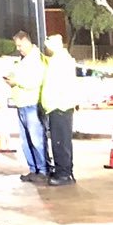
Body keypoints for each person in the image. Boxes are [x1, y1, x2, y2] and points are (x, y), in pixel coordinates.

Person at [8, 28, 48, 181]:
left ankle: (42, 170)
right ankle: (33, 169)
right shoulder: (23, 60)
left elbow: (35, 81)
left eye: (19, 45)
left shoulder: (36, 60)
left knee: (36, 140)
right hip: (21, 104)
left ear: (26, 42)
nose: (18, 49)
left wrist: (16, 81)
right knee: (26, 141)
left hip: (32, 104)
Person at [40, 31, 79, 185]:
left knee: (60, 142)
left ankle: (64, 174)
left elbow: (56, 85)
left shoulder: (59, 61)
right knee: (62, 142)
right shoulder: (61, 59)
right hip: (60, 106)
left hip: (59, 106)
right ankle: (64, 171)